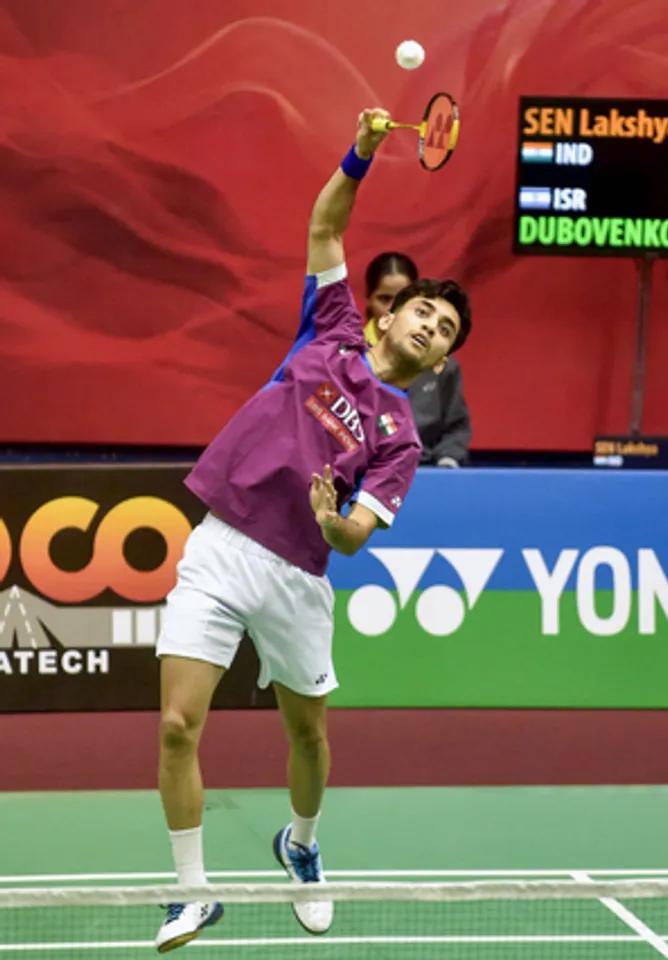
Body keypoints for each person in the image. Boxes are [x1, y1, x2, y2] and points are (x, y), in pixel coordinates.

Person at [153, 107, 472, 953]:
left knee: (308, 732)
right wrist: (362, 151)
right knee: (179, 725)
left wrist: (336, 523)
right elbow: (325, 222)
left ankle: (300, 843)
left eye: (442, 333)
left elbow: (359, 532)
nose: (429, 328)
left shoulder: (400, 434)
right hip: (222, 545)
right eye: (425, 313)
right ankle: (191, 894)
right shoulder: (329, 330)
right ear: (393, 314)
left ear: (439, 362)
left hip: (298, 575)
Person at [364, 253, 472, 467]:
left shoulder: (444, 368)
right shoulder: (341, 355)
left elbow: (456, 428)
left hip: (423, 470)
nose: (429, 327)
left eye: (444, 329)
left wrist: (446, 463)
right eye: (385, 299)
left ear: (440, 362)